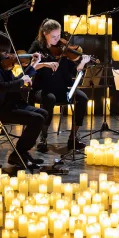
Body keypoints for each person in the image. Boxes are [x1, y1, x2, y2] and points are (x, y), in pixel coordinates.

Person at [0, 30, 49, 168]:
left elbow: (15, 81)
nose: (8, 54)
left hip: (11, 104)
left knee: (43, 114)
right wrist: (22, 81)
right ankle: (18, 154)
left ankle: (21, 152)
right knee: (37, 119)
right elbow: (0, 87)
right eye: (5, 50)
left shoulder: (0, 63)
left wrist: (33, 65)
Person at [28, 18, 93, 152]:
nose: (57, 39)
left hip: (62, 88)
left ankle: (73, 138)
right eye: (54, 36)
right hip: (42, 89)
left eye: (59, 35)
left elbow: (73, 70)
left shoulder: (63, 49)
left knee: (83, 98)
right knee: (50, 99)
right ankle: (43, 137)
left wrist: (81, 63)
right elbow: (29, 66)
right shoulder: (37, 46)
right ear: (45, 33)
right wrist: (46, 63)